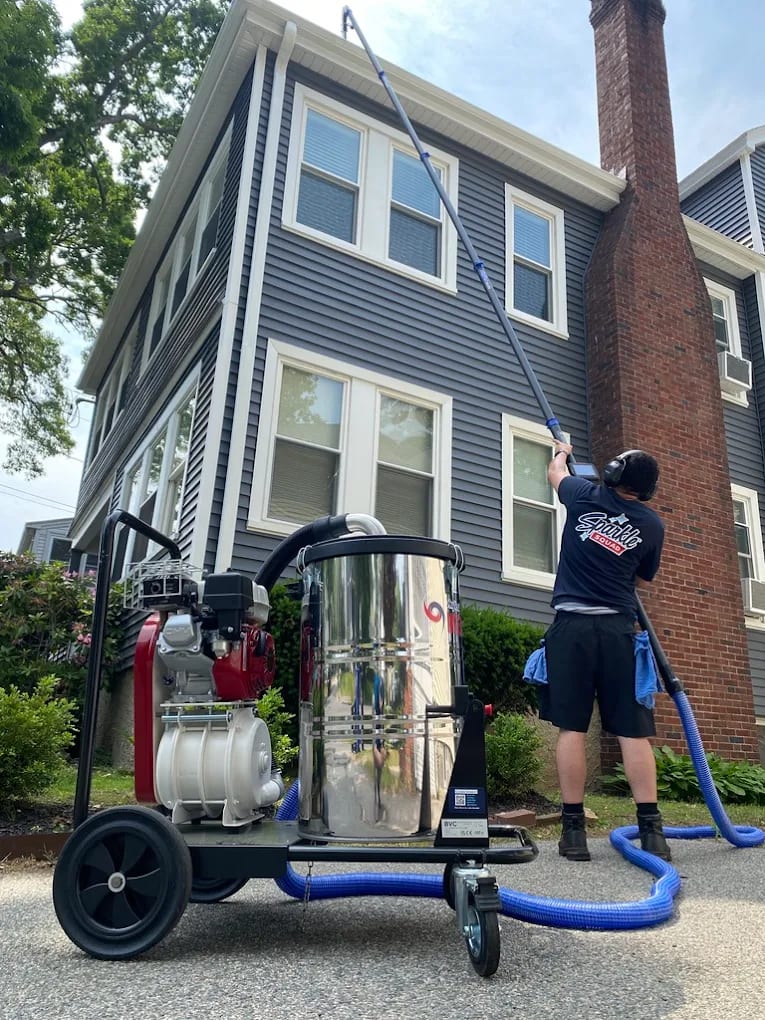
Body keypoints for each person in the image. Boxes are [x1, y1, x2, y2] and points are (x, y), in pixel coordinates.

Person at [541, 441, 671, 862]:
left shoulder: (582, 494)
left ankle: (573, 833)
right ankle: (652, 833)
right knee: (633, 732)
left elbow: (555, 474)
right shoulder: (651, 525)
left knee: (572, 729)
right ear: (647, 489)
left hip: (571, 629)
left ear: (612, 473)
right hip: (619, 631)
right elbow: (643, 578)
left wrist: (561, 452)